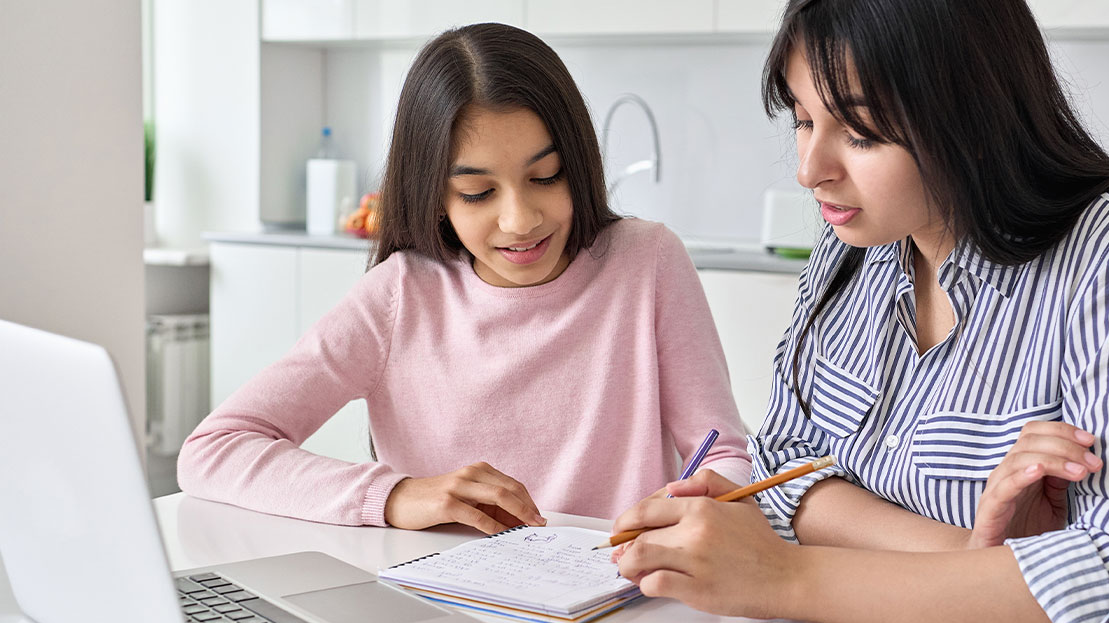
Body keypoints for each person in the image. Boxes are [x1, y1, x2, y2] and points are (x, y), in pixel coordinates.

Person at [610, 0, 1109, 623]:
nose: (809, 170)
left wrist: (783, 577)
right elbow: (786, 469)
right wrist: (971, 560)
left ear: (970, 116)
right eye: (801, 119)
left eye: (859, 132)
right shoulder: (854, 246)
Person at [178, 23, 750, 534]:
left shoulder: (646, 262)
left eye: (546, 177)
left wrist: (712, 496)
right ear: (435, 195)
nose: (520, 220)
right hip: (440, 598)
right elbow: (213, 450)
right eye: (477, 193)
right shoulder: (401, 295)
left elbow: (721, 452)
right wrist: (394, 494)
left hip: (618, 598)